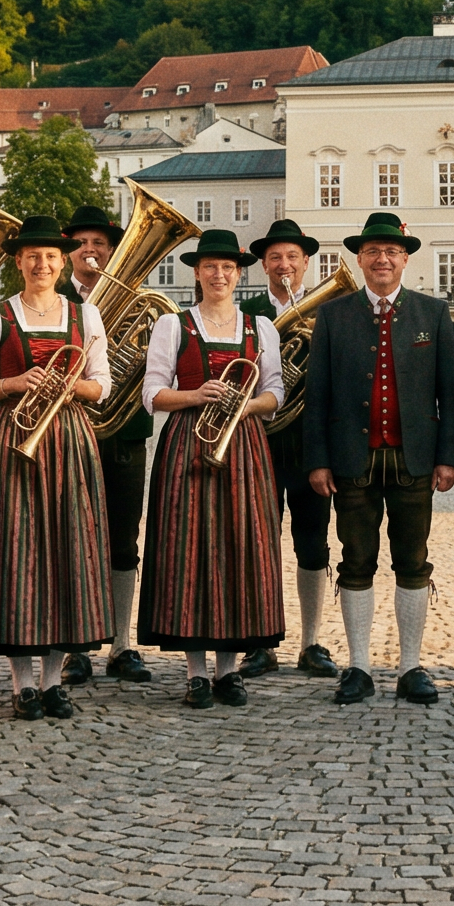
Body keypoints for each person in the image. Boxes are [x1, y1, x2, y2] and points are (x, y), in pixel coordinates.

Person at [301, 212, 454, 705]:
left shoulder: (432, 313)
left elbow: (449, 393)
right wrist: (318, 460)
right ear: (359, 258)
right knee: (356, 562)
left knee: (413, 562)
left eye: (392, 251)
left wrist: (448, 457)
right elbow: (317, 394)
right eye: (372, 251)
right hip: (352, 458)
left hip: (415, 459)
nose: (382, 259)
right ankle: (359, 667)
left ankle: (411, 666)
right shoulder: (333, 315)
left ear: (405, 259)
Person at [0, 217, 117, 719]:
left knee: (66, 552)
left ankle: (53, 682)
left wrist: (72, 386)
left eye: (50, 256)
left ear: (62, 262)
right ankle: (22, 683)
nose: (42, 264)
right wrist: (14, 383)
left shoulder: (85, 314)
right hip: (15, 439)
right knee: (17, 553)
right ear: (18, 261)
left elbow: (102, 385)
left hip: (68, 439)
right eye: (32, 256)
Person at [140, 229, 288, 706]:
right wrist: (195, 394)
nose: (219, 274)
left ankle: (229, 671)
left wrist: (246, 407)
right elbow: (152, 394)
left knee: (239, 547)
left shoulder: (260, 327)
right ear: (198, 274)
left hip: (243, 444)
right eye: (210, 267)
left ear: (239, 274)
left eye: (227, 267)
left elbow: (275, 391)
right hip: (189, 441)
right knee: (189, 549)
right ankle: (196, 673)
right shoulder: (173, 325)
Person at [237, 219, 339, 679]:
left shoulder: (327, 310)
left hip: (309, 442)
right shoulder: (247, 312)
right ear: (263, 265)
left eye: (292, 257)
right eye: (275, 257)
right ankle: (260, 642)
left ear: (305, 263)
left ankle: (311, 641)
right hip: (257, 439)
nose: (284, 264)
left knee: (313, 543)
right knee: (259, 543)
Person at [63, 203, 154, 684]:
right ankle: (74, 647)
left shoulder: (136, 300)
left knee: (123, 540)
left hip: (124, 432)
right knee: (72, 539)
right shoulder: (51, 298)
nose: (90, 250)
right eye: (81, 243)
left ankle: (122, 643)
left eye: (99, 243)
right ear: (68, 252)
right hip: (69, 432)